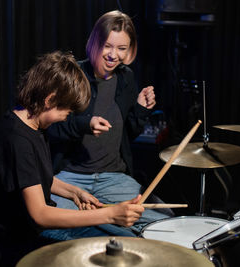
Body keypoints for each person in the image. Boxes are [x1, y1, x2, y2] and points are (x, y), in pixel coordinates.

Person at [0, 51, 144, 266]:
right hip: (27, 239)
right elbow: (40, 215)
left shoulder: (33, 124)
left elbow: (37, 179)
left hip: (38, 229)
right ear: (50, 99)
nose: (69, 115)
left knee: (127, 239)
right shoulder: (17, 140)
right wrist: (111, 215)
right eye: (68, 109)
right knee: (121, 248)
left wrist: (75, 192)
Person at [45, 10, 172, 239]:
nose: (114, 55)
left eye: (121, 48)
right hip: (71, 177)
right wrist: (85, 124)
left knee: (163, 224)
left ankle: (114, 231)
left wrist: (141, 109)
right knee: (55, 226)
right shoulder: (74, 75)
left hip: (113, 177)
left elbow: (128, 134)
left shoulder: (126, 78)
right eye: (107, 46)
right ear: (95, 43)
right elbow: (51, 129)